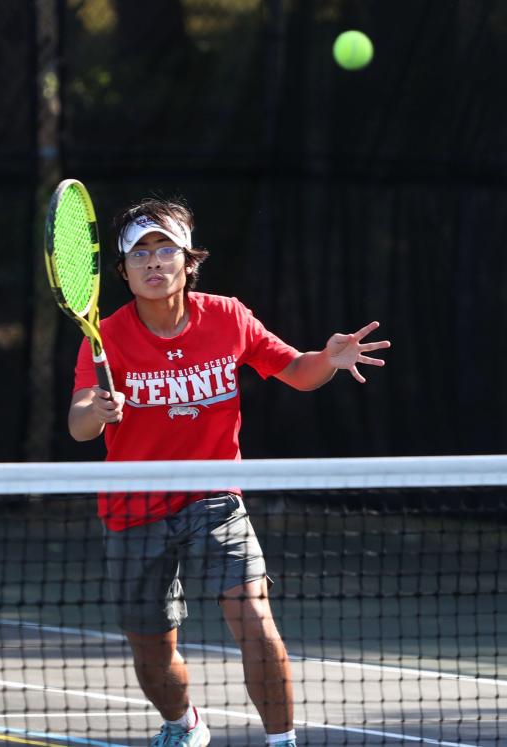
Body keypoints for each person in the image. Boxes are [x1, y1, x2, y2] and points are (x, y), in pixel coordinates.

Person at [69, 199, 390, 747]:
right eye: (139, 253)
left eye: (165, 249)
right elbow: (80, 424)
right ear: (121, 271)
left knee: (254, 618)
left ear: (187, 261)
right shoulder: (106, 337)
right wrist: (95, 411)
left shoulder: (229, 317)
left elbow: (296, 371)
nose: (154, 263)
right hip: (132, 506)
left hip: (214, 497)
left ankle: (281, 742)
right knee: (151, 651)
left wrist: (328, 360)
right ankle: (183, 724)